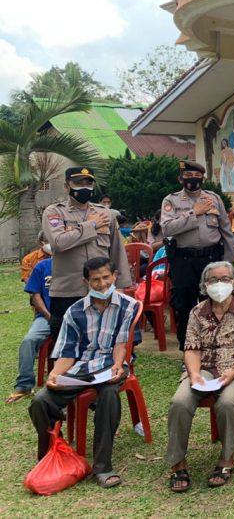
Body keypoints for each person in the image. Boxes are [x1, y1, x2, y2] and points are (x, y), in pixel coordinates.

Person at [29, 257, 140, 489]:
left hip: (111, 365)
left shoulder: (129, 305)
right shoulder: (75, 311)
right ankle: (51, 454)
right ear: (86, 281)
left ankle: (103, 466)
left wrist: (118, 365)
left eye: (106, 278)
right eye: (95, 280)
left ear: (114, 276)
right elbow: (68, 352)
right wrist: (55, 375)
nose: (101, 284)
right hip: (81, 367)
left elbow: (121, 343)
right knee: (40, 400)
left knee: (109, 395)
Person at [165, 261, 234, 492]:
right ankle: (177, 461)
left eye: (225, 279)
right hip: (204, 367)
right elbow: (192, 348)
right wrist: (194, 374)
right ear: (204, 285)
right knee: (180, 401)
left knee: (227, 402)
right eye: (213, 280)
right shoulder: (197, 312)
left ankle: (227, 459)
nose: (219, 284)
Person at [42, 167, 132, 342]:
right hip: (68, 291)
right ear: (67, 186)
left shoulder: (105, 214)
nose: (84, 187)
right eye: (78, 183)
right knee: (67, 342)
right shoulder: (55, 212)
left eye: (88, 183)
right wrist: (91, 225)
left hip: (103, 289)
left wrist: (120, 285)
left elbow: (117, 251)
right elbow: (59, 242)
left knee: (106, 338)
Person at [161, 160, 234, 350]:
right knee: (185, 306)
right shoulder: (171, 201)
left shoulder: (214, 198)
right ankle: (188, 349)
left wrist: (228, 262)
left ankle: (212, 346)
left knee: (212, 304)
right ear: (180, 178)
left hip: (211, 260)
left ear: (203, 178)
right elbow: (167, 228)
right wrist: (194, 213)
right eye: (188, 176)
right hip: (183, 260)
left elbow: (226, 230)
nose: (193, 180)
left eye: (197, 176)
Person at [7, 255, 53, 403]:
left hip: (72, 317)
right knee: (29, 340)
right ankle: (25, 384)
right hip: (46, 317)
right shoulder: (42, 266)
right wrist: (48, 316)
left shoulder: (77, 266)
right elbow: (35, 295)